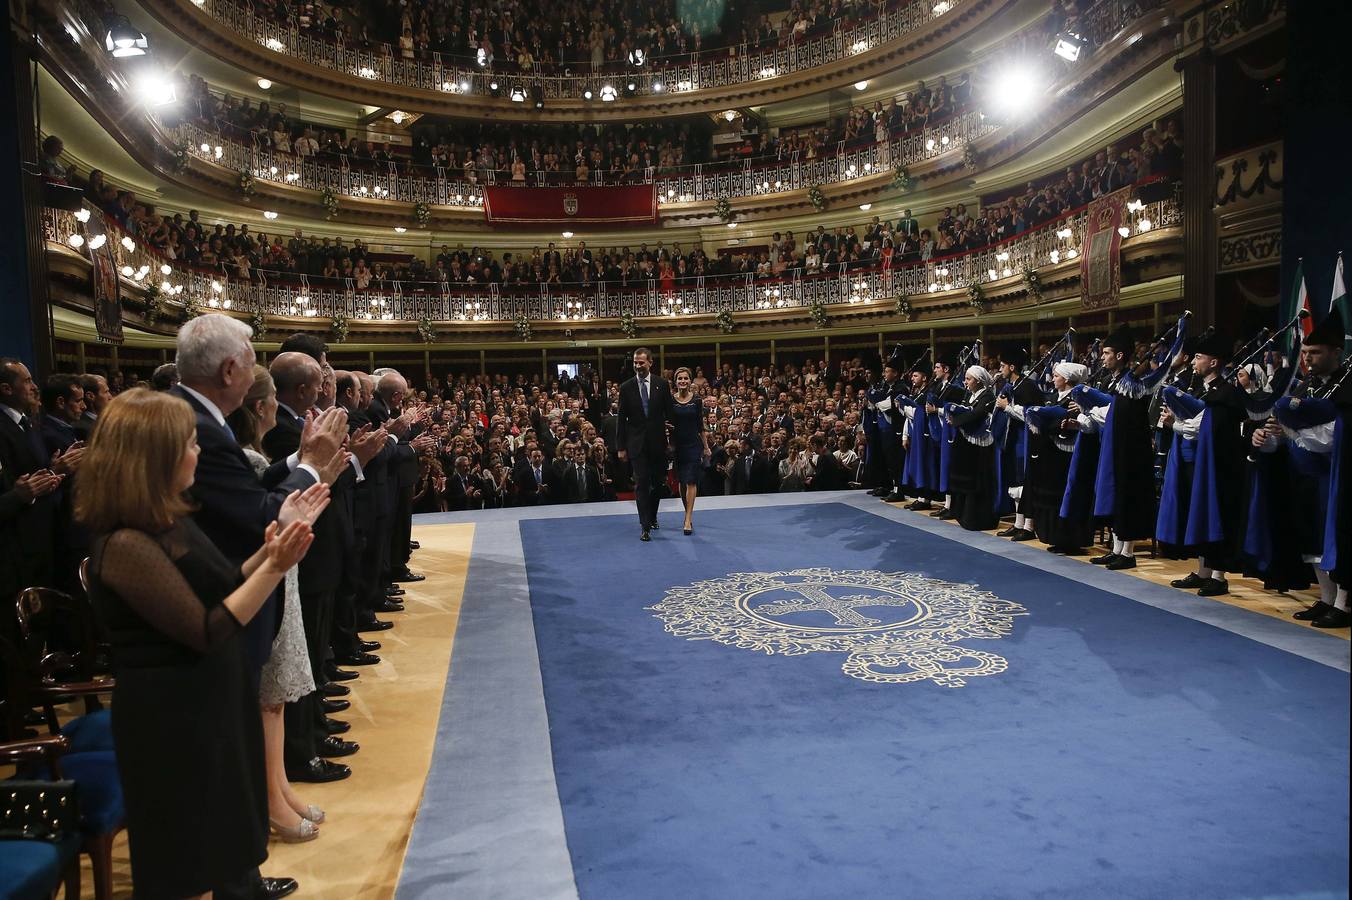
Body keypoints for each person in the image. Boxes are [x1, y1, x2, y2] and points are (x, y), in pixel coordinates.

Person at [78, 387, 324, 900]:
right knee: (185, 860)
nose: (198, 453)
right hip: (171, 717)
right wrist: (277, 567)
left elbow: (226, 581)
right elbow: (207, 627)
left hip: (209, 699)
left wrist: (273, 549)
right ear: (154, 458)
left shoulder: (169, 520)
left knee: (222, 843)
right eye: (189, 444)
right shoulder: (124, 543)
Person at [226, 365, 324, 842]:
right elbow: (262, 502)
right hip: (261, 576)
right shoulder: (235, 455)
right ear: (262, 407)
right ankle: (271, 797)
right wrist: (306, 465)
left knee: (277, 697)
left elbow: (266, 478)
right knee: (269, 695)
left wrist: (302, 459)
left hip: (276, 571)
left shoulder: (251, 453)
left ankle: (280, 787)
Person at [615, 347, 673, 540]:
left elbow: (670, 414)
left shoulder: (662, 384)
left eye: (641, 362)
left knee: (657, 484)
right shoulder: (626, 387)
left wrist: (672, 441)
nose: (638, 366)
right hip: (636, 444)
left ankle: (653, 515)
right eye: (635, 362)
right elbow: (621, 419)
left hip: (658, 444)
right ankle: (644, 525)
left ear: (650, 362)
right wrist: (621, 447)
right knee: (641, 483)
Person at [668, 366, 710, 534]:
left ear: (690, 380)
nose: (683, 381)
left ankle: (688, 519)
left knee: (691, 480)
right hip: (677, 445)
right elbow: (667, 421)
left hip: (693, 444)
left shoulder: (697, 400)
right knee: (682, 482)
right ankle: (687, 512)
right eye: (680, 378)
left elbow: (700, 426)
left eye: (686, 378)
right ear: (676, 381)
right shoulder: (670, 400)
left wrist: (706, 447)